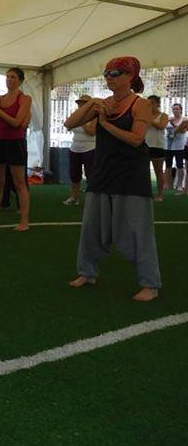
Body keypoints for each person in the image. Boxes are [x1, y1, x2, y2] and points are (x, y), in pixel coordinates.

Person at [64, 56, 160, 302]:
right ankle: (87, 272)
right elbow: (69, 123)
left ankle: (150, 284)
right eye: (106, 73)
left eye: (115, 73)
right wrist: (92, 104)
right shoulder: (102, 104)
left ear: (130, 77)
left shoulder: (140, 105)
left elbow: (137, 139)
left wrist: (104, 123)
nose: (109, 77)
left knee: (139, 233)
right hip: (102, 175)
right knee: (91, 228)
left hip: (131, 177)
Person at [0, 67, 32, 231]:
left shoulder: (25, 98)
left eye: (13, 77)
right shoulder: (0, 98)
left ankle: (24, 221)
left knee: (20, 183)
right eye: (7, 77)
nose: (9, 79)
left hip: (15, 143)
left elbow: (17, 122)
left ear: (20, 81)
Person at [63, 94, 96, 205]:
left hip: (90, 148)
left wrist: (82, 122)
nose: (81, 106)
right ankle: (74, 197)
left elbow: (92, 132)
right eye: (80, 104)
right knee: (74, 174)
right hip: (75, 148)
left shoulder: (95, 117)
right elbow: (68, 126)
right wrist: (76, 119)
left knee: (90, 174)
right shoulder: (75, 115)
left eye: (84, 104)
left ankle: (92, 199)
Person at [145, 95, 168, 201]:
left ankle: (160, 194)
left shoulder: (163, 115)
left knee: (158, 171)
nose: (150, 106)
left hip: (158, 146)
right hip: (144, 145)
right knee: (143, 171)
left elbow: (162, 126)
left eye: (152, 104)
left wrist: (149, 119)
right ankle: (146, 193)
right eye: (148, 104)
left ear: (158, 104)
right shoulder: (145, 115)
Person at [165, 103, 186, 193]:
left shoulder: (184, 119)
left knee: (180, 166)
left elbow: (183, 130)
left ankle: (180, 185)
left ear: (181, 110)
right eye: (174, 109)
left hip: (180, 146)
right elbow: (164, 128)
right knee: (168, 166)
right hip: (168, 146)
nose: (175, 111)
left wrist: (173, 124)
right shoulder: (169, 118)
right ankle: (167, 184)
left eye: (177, 109)